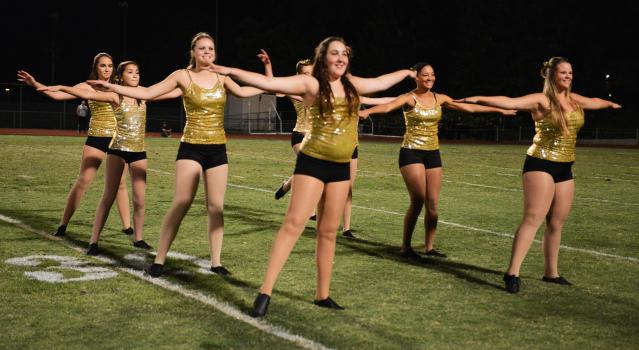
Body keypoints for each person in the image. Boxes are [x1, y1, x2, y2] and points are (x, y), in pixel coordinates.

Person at [210, 36, 415, 317]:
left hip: (341, 167)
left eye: (344, 53)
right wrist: (228, 70)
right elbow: (269, 84)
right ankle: (265, 291)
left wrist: (406, 73)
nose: (341, 58)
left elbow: (380, 82)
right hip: (313, 163)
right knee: (293, 225)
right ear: (323, 58)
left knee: (328, 232)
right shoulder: (311, 84)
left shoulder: (352, 85)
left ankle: (322, 294)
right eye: (334, 53)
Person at [87, 32, 271, 276]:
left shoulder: (222, 76)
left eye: (211, 49)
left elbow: (246, 91)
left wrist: (268, 70)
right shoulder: (182, 76)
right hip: (191, 147)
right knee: (182, 202)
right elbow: (149, 93)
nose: (207, 53)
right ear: (193, 51)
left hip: (217, 149)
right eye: (202, 49)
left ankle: (216, 262)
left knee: (216, 207)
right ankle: (159, 260)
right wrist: (110, 85)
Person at [456, 57, 621, 293]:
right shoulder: (541, 100)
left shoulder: (575, 100)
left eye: (570, 72)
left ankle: (551, 273)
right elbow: (509, 101)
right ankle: (512, 272)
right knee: (533, 218)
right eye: (563, 72)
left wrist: (610, 104)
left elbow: (595, 102)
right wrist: (478, 98)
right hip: (540, 163)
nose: (568, 76)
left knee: (556, 223)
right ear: (552, 75)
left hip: (565, 166)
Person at [359, 62, 516, 259]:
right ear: (417, 77)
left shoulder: (439, 98)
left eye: (432, 75)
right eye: (425, 75)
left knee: (432, 203)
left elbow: (468, 108)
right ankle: (405, 247)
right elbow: (388, 106)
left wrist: (498, 110)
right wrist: (367, 112)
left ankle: (429, 247)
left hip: (433, 153)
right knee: (418, 200)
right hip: (411, 152)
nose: (430, 78)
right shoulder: (409, 98)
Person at [39, 61, 170, 254]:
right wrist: (61, 86)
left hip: (139, 151)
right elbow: (87, 94)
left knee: (140, 199)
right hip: (116, 149)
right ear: (121, 76)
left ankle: (138, 237)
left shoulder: (144, 94)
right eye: (131, 72)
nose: (135, 75)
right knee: (108, 196)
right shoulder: (114, 95)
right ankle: (93, 241)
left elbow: (169, 91)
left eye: (138, 72)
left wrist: (191, 84)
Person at [17, 53, 134, 238]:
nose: (107, 69)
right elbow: (55, 95)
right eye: (103, 65)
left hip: (118, 139)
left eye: (110, 66)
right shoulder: (86, 86)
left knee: (120, 184)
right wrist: (35, 83)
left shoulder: (118, 86)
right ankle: (63, 225)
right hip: (96, 137)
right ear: (96, 67)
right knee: (84, 181)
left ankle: (128, 227)